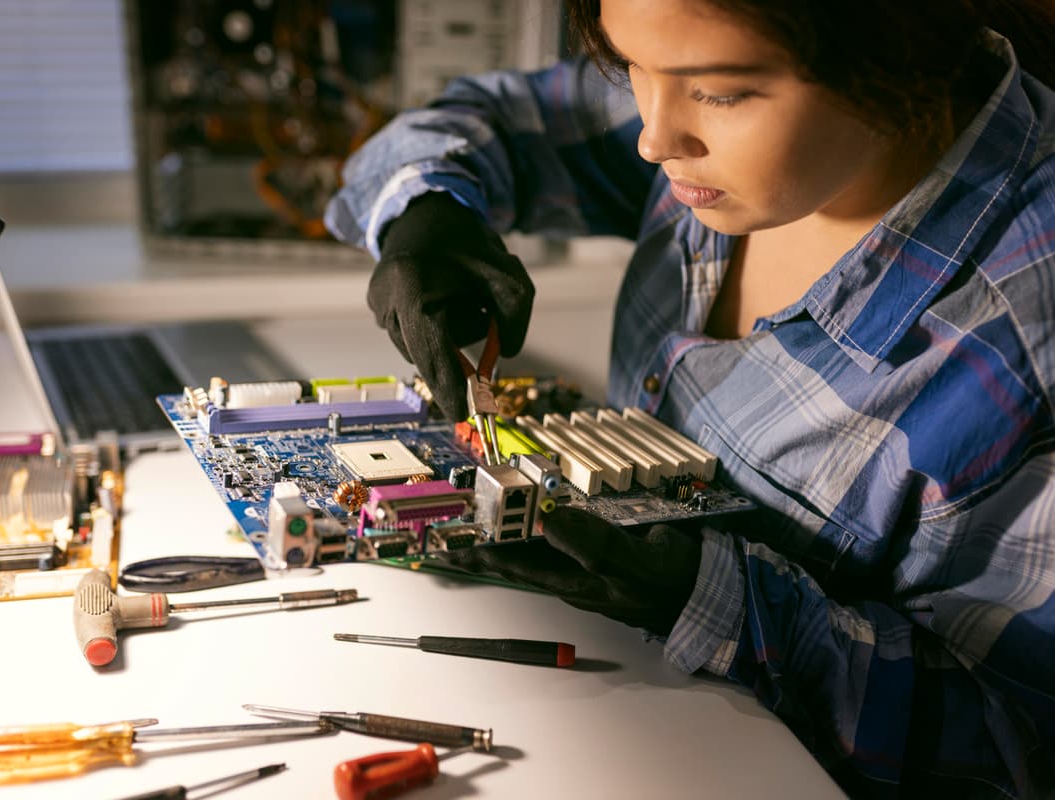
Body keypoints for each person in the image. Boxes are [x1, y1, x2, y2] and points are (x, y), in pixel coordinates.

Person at [323, 1, 1055, 796]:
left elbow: (1008, 749)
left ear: (901, 50)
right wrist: (426, 213)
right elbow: (477, 119)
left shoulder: (1027, 333)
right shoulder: (710, 88)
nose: (653, 137)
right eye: (627, 65)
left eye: (720, 92)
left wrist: (712, 598)